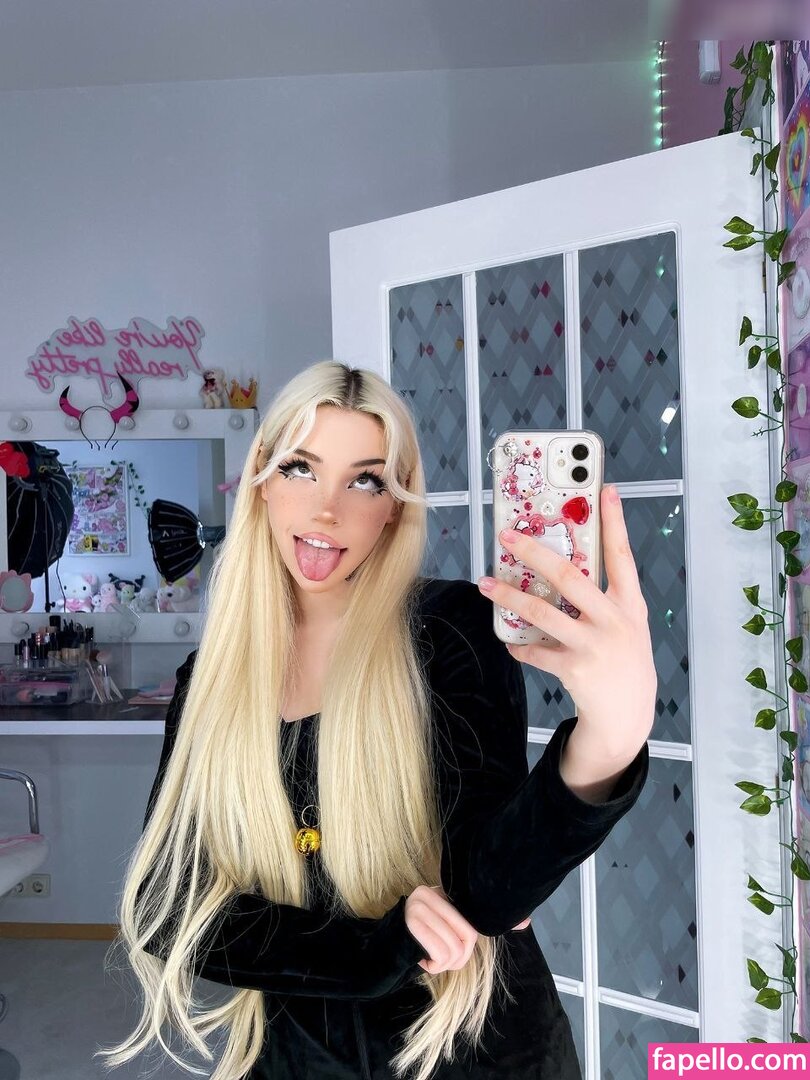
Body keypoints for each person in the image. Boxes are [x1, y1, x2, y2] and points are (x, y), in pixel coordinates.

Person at [97, 361, 652, 1080]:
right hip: (294, 1056)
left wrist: (611, 734)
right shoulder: (209, 679)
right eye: (301, 468)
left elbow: (490, 892)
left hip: (472, 1049)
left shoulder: (449, 631)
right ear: (261, 481)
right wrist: (375, 949)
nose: (327, 509)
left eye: (364, 481)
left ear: (394, 505)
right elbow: (168, 905)